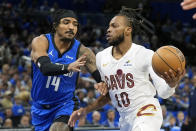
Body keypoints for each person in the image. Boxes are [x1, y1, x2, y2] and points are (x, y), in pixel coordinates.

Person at [68, 7, 185, 131]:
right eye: (109, 26)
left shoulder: (145, 54)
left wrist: (171, 84)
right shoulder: (101, 58)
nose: (108, 30)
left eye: (114, 26)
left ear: (128, 30)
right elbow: (108, 96)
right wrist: (85, 110)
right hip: (124, 119)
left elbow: (164, 93)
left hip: (147, 111)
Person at [31, 9, 106, 131]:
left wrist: (101, 82)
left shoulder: (82, 51)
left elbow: (99, 75)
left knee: (58, 129)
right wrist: (68, 67)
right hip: (39, 107)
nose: (71, 27)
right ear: (55, 26)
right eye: (66, 22)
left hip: (65, 104)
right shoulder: (41, 41)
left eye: (75, 24)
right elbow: (45, 68)